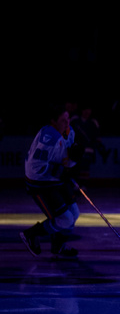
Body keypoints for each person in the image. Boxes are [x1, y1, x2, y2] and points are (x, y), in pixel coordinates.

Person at [21, 106, 83, 258]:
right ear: (53, 122)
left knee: (74, 213)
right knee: (65, 219)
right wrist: (62, 172)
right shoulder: (48, 137)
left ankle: (58, 246)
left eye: (68, 119)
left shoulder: (69, 133)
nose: (67, 123)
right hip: (40, 182)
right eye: (63, 120)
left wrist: (73, 161)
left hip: (56, 179)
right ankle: (31, 234)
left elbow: (66, 160)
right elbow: (36, 166)